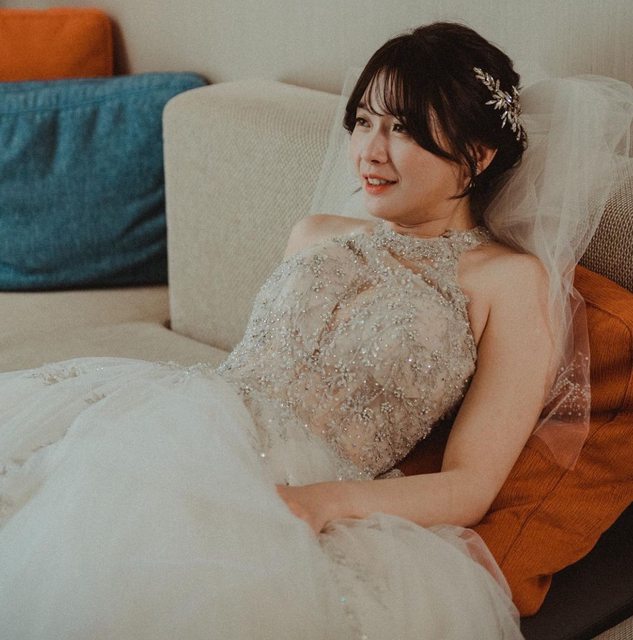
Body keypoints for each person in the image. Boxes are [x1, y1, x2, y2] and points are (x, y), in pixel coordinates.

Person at [0, 22, 631, 640]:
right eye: (364, 121)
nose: (370, 152)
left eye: (403, 129)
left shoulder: (511, 282)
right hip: (190, 420)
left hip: (309, 484)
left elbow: (470, 485)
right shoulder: (315, 232)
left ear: (478, 153)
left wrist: (327, 501)